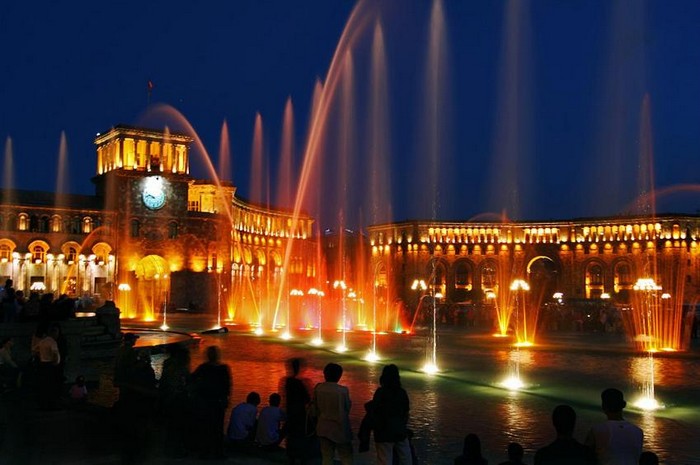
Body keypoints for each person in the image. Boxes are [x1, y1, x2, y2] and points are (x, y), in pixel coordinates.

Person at [191, 345, 232, 459]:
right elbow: (227, 386)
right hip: (215, 402)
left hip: (207, 401)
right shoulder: (222, 368)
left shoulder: (204, 367)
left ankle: (207, 451)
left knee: (208, 426)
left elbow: (193, 379)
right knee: (216, 427)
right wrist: (226, 399)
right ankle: (216, 452)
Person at [585, 388, 643, 465]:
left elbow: (586, 455)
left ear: (603, 406)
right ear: (624, 405)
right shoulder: (638, 431)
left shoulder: (597, 430)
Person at [312, 362, 352, 465]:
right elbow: (347, 408)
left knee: (326, 457)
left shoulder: (318, 388)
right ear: (339, 376)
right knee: (346, 457)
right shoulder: (343, 391)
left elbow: (315, 408)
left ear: (325, 374)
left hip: (323, 427)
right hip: (340, 428)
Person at [371, 364, 413, 465]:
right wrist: (402, 425)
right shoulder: (401, 392)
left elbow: (374, 411)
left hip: (383, 432)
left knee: (384, 459)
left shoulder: (380, 392)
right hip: (399, 430)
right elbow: (406, 411)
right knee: (406, 458)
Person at [158, 342, 191, 457]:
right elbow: (184, 382)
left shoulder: (167, 363)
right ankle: (177, 449)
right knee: (178, 425)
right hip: (177, 399)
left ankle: (169, 449)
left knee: (171, 426)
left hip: (169, 398)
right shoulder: (180, 366)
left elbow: (163, 381)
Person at [281, 357, 315, 464]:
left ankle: (291, 458)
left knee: (291, 437)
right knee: (301, 437)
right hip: (299, 414)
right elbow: (307, 399)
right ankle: (301, 458)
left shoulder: (286, 381)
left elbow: (284, 397)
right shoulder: (299, 383)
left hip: (290, 413)